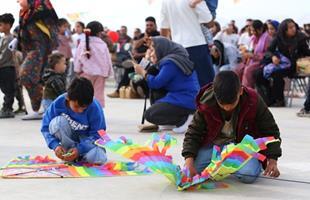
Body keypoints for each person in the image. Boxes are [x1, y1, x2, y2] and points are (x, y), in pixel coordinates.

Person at [182, 71, 282, 183]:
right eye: (222, 104)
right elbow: (193, 132)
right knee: (193, 172)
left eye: (232, 103)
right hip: (214, 147)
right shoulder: (206, 103)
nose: (227, 108)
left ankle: (239, 165)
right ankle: (225, 163)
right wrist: (188, 161)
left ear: (240, 91)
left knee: (248, 175)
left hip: (242, 148)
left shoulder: (253, 101)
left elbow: (271, 130)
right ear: (215, 94)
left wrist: (272, 160)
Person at [133, 36, 200, 133]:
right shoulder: (173, 59)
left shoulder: (170, 63)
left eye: (153, 50)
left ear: (161, 49)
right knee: (155, 90)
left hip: (185, 99)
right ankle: (171, 122)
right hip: (184, 97)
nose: (151, 53)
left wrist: (142, 72)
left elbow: (156, 83)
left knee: (150, 115)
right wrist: (146, 61)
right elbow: (153, 72)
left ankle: (187, 119)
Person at [41, 77, 107, 164]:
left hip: (87, 143)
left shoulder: (94, 107)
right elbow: (45, 127)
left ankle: (80, 156)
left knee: (98, 158)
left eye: (84, 108)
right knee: (57, 123)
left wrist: (80, 149)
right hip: (69, 141)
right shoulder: (58, 103)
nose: (80, 111)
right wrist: (55, 145)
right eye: (76, 106)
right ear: (68, 98)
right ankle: (70, 154)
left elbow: (98, 134)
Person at [17, 0, 59, 120]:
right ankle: (38, 108)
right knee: (33, 78)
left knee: (25, 75)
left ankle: (41, 108)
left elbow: (53, 27)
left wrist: (54, 49)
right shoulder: (25, 12)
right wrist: (17, 41)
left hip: (40, 49)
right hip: (28, 49)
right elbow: (24, 31)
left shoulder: (43, 8)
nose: (17, 1)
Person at [255, 19, 310, 107]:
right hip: (280, 63)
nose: (293, 29)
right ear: (284, 30)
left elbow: (306, 52)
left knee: (277, 74)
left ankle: (279, 100)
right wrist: (273, 57)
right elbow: (268, 51)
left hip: (293, 66)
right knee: (258, 73)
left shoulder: (300, 38)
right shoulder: (278, 37)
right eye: (290, 27)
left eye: (294, 27)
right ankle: (267, 99)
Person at [160, 0, 215, 87]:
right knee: (207, 86)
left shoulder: (165, 2)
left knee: (185, 86)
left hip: (177, 49)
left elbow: (163, 29)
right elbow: (209, 22)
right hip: (197, 46)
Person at [108, 17, 160, 98]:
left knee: (134, 70)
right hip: (138, 60)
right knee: (129, 68)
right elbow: (135, 45)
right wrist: (143, 38)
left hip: (151, 60)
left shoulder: (158, 35)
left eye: (151, 25)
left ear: (155, 25)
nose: (149, 27)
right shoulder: (143, 35)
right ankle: (119, 91)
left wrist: (140, 55)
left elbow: (155, 51)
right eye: (147, 25)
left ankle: (139, 90)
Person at [74, 21, 113, 107]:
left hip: (85, 73)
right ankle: (97, 113)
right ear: (99, 33)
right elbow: (108, 60)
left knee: (84, 95)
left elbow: (78, 58)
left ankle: (84, 113)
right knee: (98, 95)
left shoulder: (83, 43)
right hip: (100, 74)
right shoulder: (103, 45)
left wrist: (77, 70)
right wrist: (109, 73)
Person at [235, 20, 272, 88]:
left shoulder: (267, 38)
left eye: (254, 31)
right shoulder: (253, 38)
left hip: (262, 62)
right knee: (238, 69)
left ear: (260, 29)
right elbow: (251, 50)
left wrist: (253, 56)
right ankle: (238, 91)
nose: (252, 32)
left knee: (248, 71)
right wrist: (246, 53)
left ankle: (247, 92)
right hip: (251, 60)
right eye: (251, 30)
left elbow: (268, 54)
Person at [0, 13, 16, 118]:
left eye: (1, 25)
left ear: (8, 25)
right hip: (3, 67)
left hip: (7, 67)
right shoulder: (3, 38)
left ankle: (7, 109)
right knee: (5, 88)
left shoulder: (10, 39)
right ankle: (6, 108)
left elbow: (4, 55)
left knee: (8, 89)